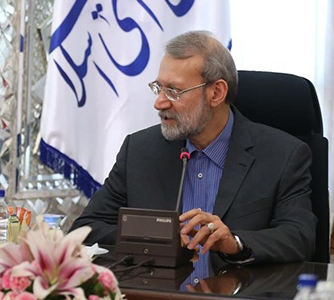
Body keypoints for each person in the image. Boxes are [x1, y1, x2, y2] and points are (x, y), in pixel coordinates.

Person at [70, 30, 315, 263]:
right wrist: (155, 237)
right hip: (159, 289)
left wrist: (235, 243)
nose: (159, 103)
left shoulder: (283, 155)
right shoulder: (139, 150)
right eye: (159, 88)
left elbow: (300, 236)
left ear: (216, 93)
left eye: (173, 91)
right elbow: (86, 229)